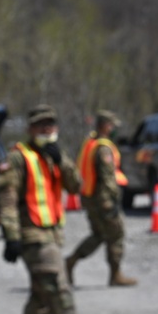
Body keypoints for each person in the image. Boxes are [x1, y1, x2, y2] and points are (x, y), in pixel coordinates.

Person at [0, 104, 103, 314]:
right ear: (30, 128)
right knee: (58, 289)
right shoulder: (19, 157)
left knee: (41, 299)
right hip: (33, 237)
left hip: (53, 235)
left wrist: (62, 162)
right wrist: (11, 237)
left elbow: (76, 187)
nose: (47, 129)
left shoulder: (56, 155)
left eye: (51, 124)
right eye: (41, 124)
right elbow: (8, 199)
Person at [66, 109, 137, 287]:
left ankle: (71, 261)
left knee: (98, 235)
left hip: (89, 197)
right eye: (112, 125)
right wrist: (113, 200)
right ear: (105, 125)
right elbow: (107, 178)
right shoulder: (103, 148)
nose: (114, 129)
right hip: (102, 199)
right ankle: (115, 274)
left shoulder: (90, 142)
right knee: (116, 234)